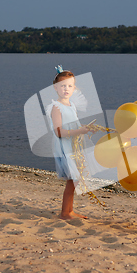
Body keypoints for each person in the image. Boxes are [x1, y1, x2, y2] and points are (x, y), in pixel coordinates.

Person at [46, 67, 95, 220]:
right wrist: (78, 132)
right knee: (73, 178)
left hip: (73, 145)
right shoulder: (56, 107)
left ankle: (69, 210)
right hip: (64, 147)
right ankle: (65, 213)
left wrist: (84, 129)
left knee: (75, 179)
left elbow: (74, 124)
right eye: (62, 86)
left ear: (74, 88)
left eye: (69, 86)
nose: (66, 89)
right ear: (55, 88)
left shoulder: (71, 105)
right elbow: (59, 132)